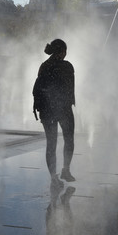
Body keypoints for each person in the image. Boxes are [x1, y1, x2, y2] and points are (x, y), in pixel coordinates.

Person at [33, 39, 76, 186]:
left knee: (51, 143)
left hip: (47, 110)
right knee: (68, 139)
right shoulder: (67, 66)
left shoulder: (43, 66)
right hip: (63, 109)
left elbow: (38, 89)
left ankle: (53, 177)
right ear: (63, 51)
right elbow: (71, 90)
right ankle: (66, 170)